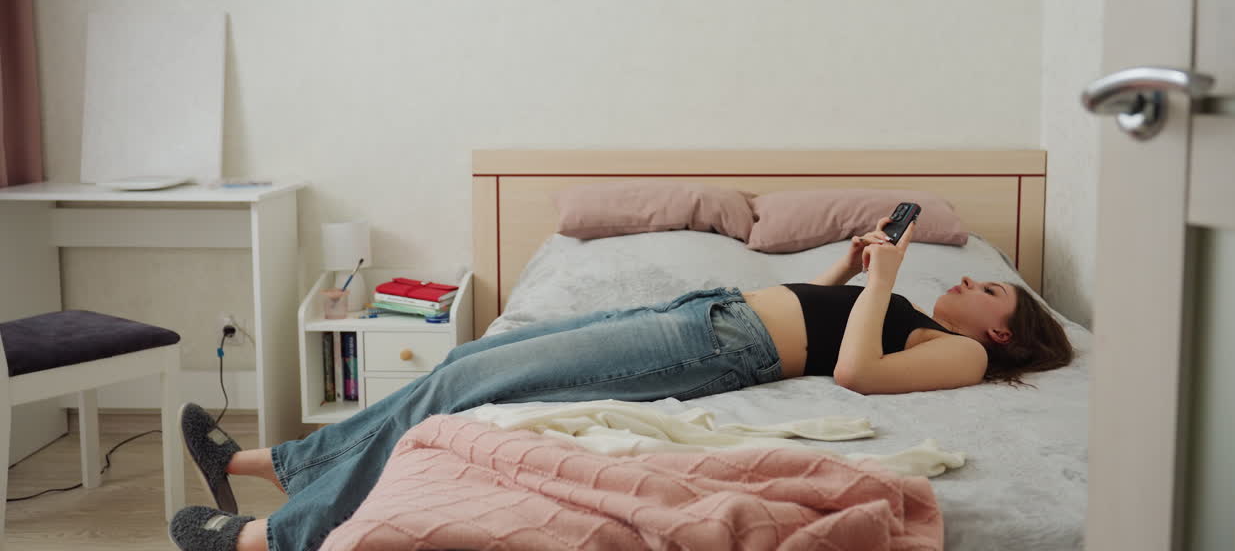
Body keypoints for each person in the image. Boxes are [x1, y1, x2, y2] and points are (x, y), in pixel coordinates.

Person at [169, 219, 1073, 551]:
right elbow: (834, 322)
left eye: (983, 287)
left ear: (1005, 328)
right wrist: (845, 270)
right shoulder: (913, 311)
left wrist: (882, 285)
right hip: (713, 309)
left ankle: (276, 534)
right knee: (465, 365)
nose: (962, 282)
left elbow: (855, 371)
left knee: (472, 385)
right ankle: (271, 461)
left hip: (724, 347)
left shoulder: (966, 356)